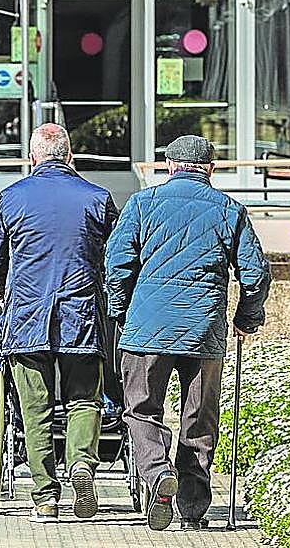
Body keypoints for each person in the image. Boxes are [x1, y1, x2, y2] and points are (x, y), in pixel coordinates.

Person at [105, 135, 270, 532]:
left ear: (168, 167)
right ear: (210, 170)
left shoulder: (143, 204)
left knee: (141, 409)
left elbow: (116, 263)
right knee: (200, 414)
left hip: (147, 329)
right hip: (204, 331)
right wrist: (246, 318)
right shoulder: (230, 210)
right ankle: (193, 507)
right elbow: (256, 274)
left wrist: (122, 312)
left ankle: (158, 472)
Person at [0, 124, 119, 524]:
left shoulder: (12, 197)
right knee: (84, 400)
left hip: (27, 317)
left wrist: (4, 291)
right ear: (70, 156)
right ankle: (82, 465)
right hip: (81, 315)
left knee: (34, 408)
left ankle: (45, 497)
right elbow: (117, 253)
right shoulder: (97, 198)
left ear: (32, 158)